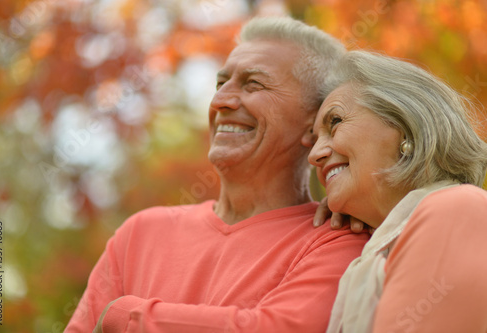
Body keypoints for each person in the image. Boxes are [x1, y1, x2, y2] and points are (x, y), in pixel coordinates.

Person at [65, 17, 369, 333]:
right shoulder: (138, 234)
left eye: (254, 84)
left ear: (314, 123)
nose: (221, 100)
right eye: (221, 83)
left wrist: (126, 316)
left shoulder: (339, 240)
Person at [308, 50, 487, 332]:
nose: (314, 155)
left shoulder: (456, 209)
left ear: (404, 127)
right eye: (314, 139)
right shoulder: (377, 248)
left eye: (335, 122)